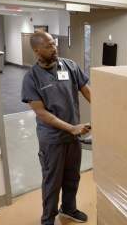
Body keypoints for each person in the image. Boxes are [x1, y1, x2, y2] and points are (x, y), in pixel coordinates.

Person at [21, 32, 90, 225]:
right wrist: (72, 128)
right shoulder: (31, 78)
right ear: (37, 50)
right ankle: (48, 219)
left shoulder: (70, 66)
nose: (55, 48)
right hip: (52, 140)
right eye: (49, 46)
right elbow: (41, 113)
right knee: (52, 182)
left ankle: (68, 209)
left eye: (55, 44)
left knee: (72, 176)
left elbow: (87, 91)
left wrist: (105, 113)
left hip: (73, 138)